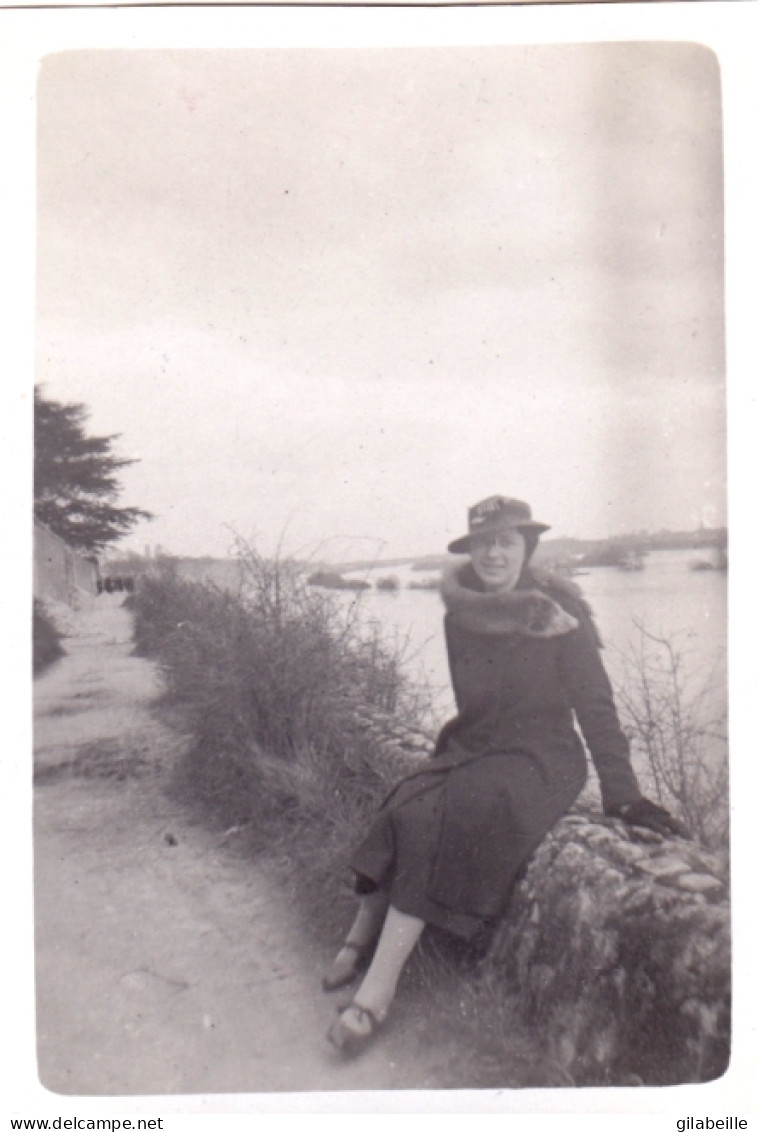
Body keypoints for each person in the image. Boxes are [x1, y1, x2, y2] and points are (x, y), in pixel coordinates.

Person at [324, 495, 688, 1056]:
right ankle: (360, 934)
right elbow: (477, 703)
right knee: (406, 801)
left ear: (527, 549)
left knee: (447, 816)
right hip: (476, 745)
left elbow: (595, 704)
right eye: (483, 542)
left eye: (506, 542)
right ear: (471, 551)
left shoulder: (559, 615)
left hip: (540, 757)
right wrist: (461, 749)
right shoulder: (460, 615)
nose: (494, 553)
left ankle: (377, 989)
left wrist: (624, 794)